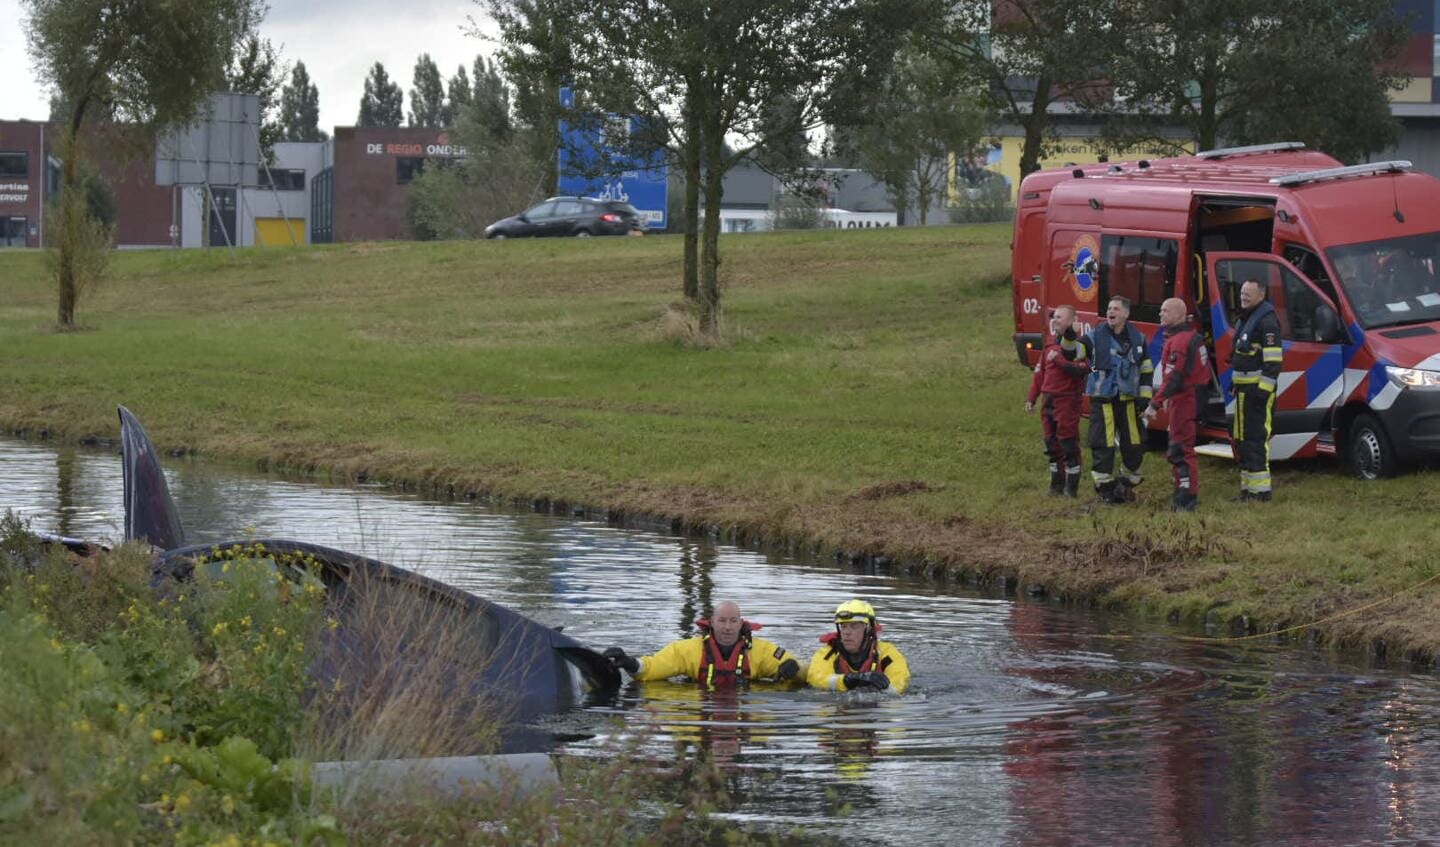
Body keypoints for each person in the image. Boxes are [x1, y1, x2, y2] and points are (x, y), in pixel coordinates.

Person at [603, 600, 800, 686]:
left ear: (741, 624)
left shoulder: (761, 651)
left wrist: (794, 668)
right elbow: (653, 668)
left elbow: (803, 670)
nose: (727, 627)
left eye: (733, 621)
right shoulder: (688, 650)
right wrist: (630, 663)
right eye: (722, 621)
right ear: (712, 623)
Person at [1079, 296, 1154, 504]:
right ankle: (1106, 491)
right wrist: (1068, 335)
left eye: (1116, 309)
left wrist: (1145, 398)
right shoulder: (1094, 336)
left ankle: (1125, 483)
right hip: (1103, 402)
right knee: (1103, 446)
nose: (1111, 311)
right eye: (1109, 308)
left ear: (1126, 314)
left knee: (1136, 446)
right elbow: (1074, 351)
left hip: (1129, 402)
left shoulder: (1138, 338)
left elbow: (1147, 370)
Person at [1142, 298, 1210, 511]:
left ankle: (1186, 498)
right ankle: (1182, 492)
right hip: (1188, 397)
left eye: (1165, 311)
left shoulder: (1179, 341)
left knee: (1180, 449)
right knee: (1179, 446)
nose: (1160, 314)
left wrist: (1154, 404)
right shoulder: (1189, 338)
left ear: (1179, 315)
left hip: (1185, 400)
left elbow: (1174, 378)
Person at [1025, 305, 1089, 497]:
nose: (1055, 320)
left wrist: (1060, 361)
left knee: (1068, 444)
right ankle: (1056, 486)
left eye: (1060, 317)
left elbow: (1081, 371)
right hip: (1049, 400)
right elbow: (1039, 375)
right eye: (1054, 317)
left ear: (1072, 320)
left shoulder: (1081, 346)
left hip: (1067, 401)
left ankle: (1071, 489)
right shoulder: (1049, 346)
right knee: (1051, 444)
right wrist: (1031, 398)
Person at [1230, 279, 1282, 501]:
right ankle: (1247, 490)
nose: (1243, 297)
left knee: (1256, 440)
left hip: (1257, 393)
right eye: (1242, 293)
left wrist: (1263, 391)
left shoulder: (1267, 322)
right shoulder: (1248, 318)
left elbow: (1274, 361)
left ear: (1261, 295)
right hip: (1243, 392)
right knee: (1242, 440)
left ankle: (1261, 492)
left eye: (1248, 294)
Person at [807, 599, 910, 694]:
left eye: (854, 626)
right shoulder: (827, 653)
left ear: (869, 629)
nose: (847, 632)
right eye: (843, 626)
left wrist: (883, 687)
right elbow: (816, 678)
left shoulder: (887, 653)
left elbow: (899, 682)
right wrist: (847, 680)